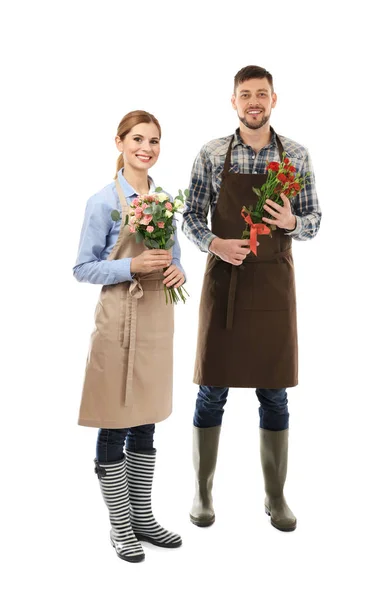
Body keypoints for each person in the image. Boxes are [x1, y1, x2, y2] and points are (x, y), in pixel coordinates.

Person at [182, 65, 322, 532]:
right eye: (246, 94)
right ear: (234, 101)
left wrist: (290, 224)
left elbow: (314, 220)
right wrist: (214, 244)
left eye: (262, 94)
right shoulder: (211, 153)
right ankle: (202, 493)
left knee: (275, 393)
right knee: (211, 391)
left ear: (274, 100)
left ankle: (276, 496)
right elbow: (189, 218)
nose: (254, 102)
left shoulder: (296, 155)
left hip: (272, 287)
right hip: (225, 283)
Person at [73, 110, 185, 562]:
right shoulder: (102, 201)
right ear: (119, 143)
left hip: (157, 318)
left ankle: (143, 517)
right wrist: (129, 266)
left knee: (147, 416)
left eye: (155, 140)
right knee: (114, 418)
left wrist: (177, 268)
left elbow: (172, 254)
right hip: (119, 318)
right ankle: (120, 528)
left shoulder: (164, 200)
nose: (147, 147)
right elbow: (82, 267)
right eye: (138, 139)